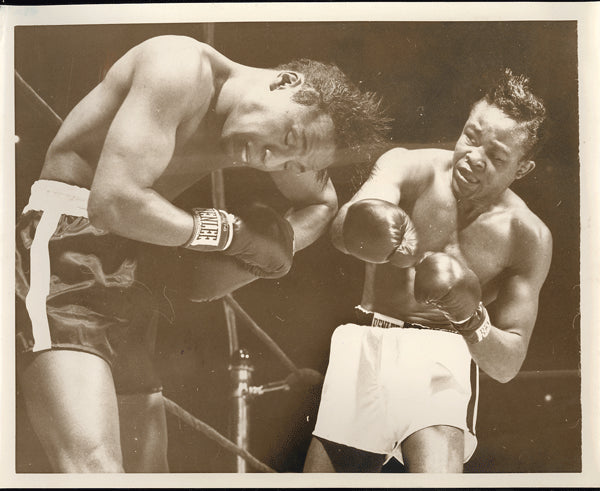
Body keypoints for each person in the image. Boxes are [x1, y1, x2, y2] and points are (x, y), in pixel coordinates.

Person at [15, 34, 390, 472]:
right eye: (289, 137)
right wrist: (229, 234)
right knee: (95, 468)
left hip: (136, 270)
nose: (272, 160)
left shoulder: (278, 142)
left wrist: (280, 245)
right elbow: (113, 201)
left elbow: (321, 202)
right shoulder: (178, 67)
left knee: (150, 475)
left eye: (293, 165)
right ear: (286, 83)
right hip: (65, 251)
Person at [303, 68, 553, 473]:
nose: (474, 156)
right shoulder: (408, 168)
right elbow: (341, 230)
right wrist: (371, 224)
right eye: (471, 136)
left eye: (496, 156)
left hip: (445, 354)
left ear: (521, 169)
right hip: (368, 342)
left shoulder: (527, 236)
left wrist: (471, 319)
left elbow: (507, 364)